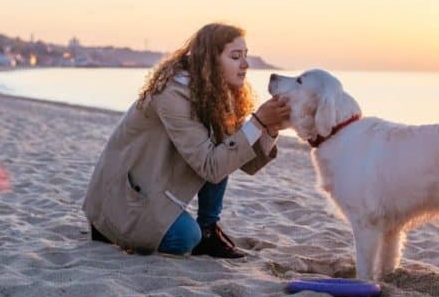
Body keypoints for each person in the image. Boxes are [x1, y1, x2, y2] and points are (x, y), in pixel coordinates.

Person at [82, 23, 290, 258]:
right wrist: (258, 122)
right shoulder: (174, 95)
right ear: (210, 61)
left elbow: (243, 159)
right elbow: (211, 167)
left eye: (245, 55)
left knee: (225, 151)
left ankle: (208, 231)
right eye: (235, 57)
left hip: (154, 186)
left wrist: (271, 128)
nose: (245, 64)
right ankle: (109, 230)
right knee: (186, 237)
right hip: (124, 198)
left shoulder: (215, 94)